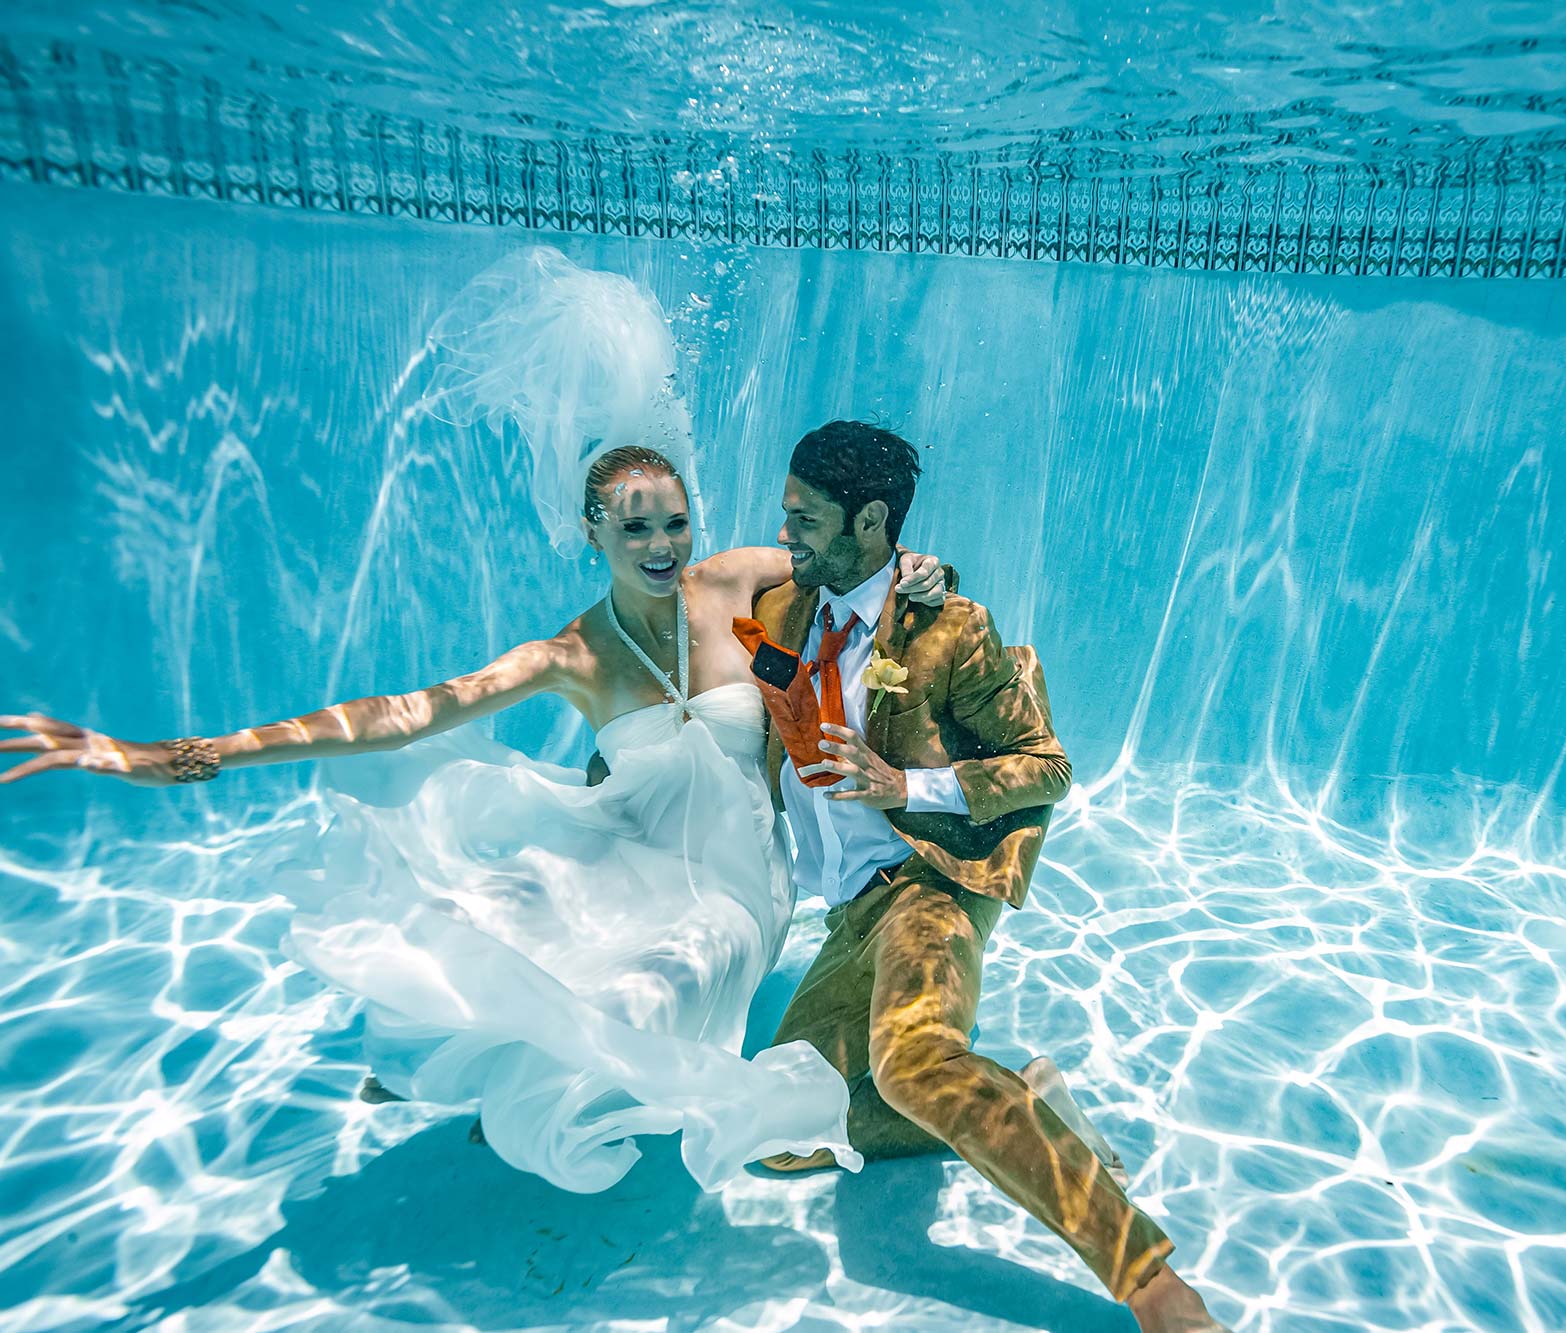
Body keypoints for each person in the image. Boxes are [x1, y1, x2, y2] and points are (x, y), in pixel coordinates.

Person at [0, 252, 954, 1196]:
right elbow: (406, 714)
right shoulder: (571, 655)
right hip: (630, 864)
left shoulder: (740, 578)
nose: (663, 548)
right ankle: (472, 1057)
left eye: (675, 523)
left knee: (645, 992)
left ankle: (525, 1085)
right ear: (594, 534)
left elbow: (855, 551)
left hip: (739, 890)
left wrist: (923, 570)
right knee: (494, 915)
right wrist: (210, 752)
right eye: (635, 530)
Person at [735, 421, 1229, 1332]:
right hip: (851, 914)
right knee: (777, 1131)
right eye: (786, 513)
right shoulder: (784, 613)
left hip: (929, 883)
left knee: (913, 1061)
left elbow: (1046, 763)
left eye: (805, 518)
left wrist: (903, 783)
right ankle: (1023, 1097)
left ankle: (1152, 1282)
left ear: (870, 519)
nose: (786, 532)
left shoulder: (950, 629)